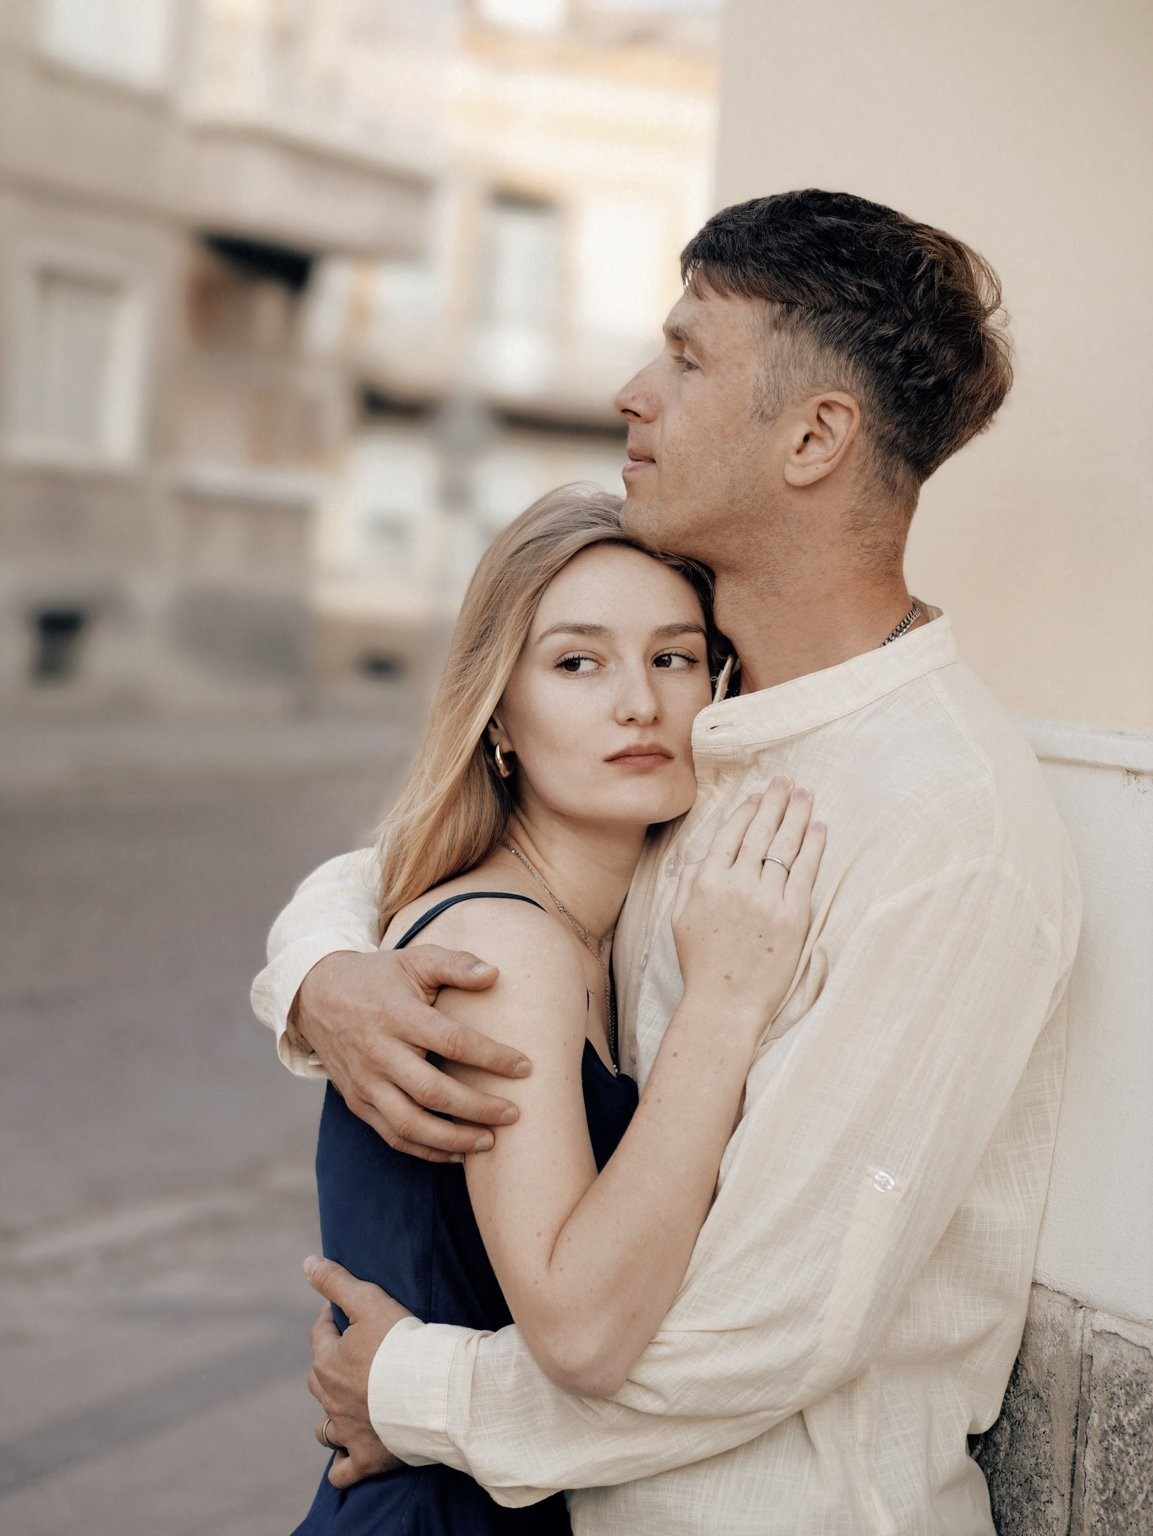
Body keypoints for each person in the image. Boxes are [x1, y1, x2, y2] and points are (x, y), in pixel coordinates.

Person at [253, 190, 1081, 1535]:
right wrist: (322, 976)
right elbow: (455, 844)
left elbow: (765, 1327)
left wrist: (412, 1390)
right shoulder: (698, 730)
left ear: (814, 438)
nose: (636, 393)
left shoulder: (944, 829)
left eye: (689, 358)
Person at [289, 486, 825, 1534]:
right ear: (499, 712)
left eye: (673, 658)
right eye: (578, 663)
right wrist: (723, 1005)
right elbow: (579, 1335)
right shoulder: (507, 947)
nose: (639, 704)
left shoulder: (594, 929)